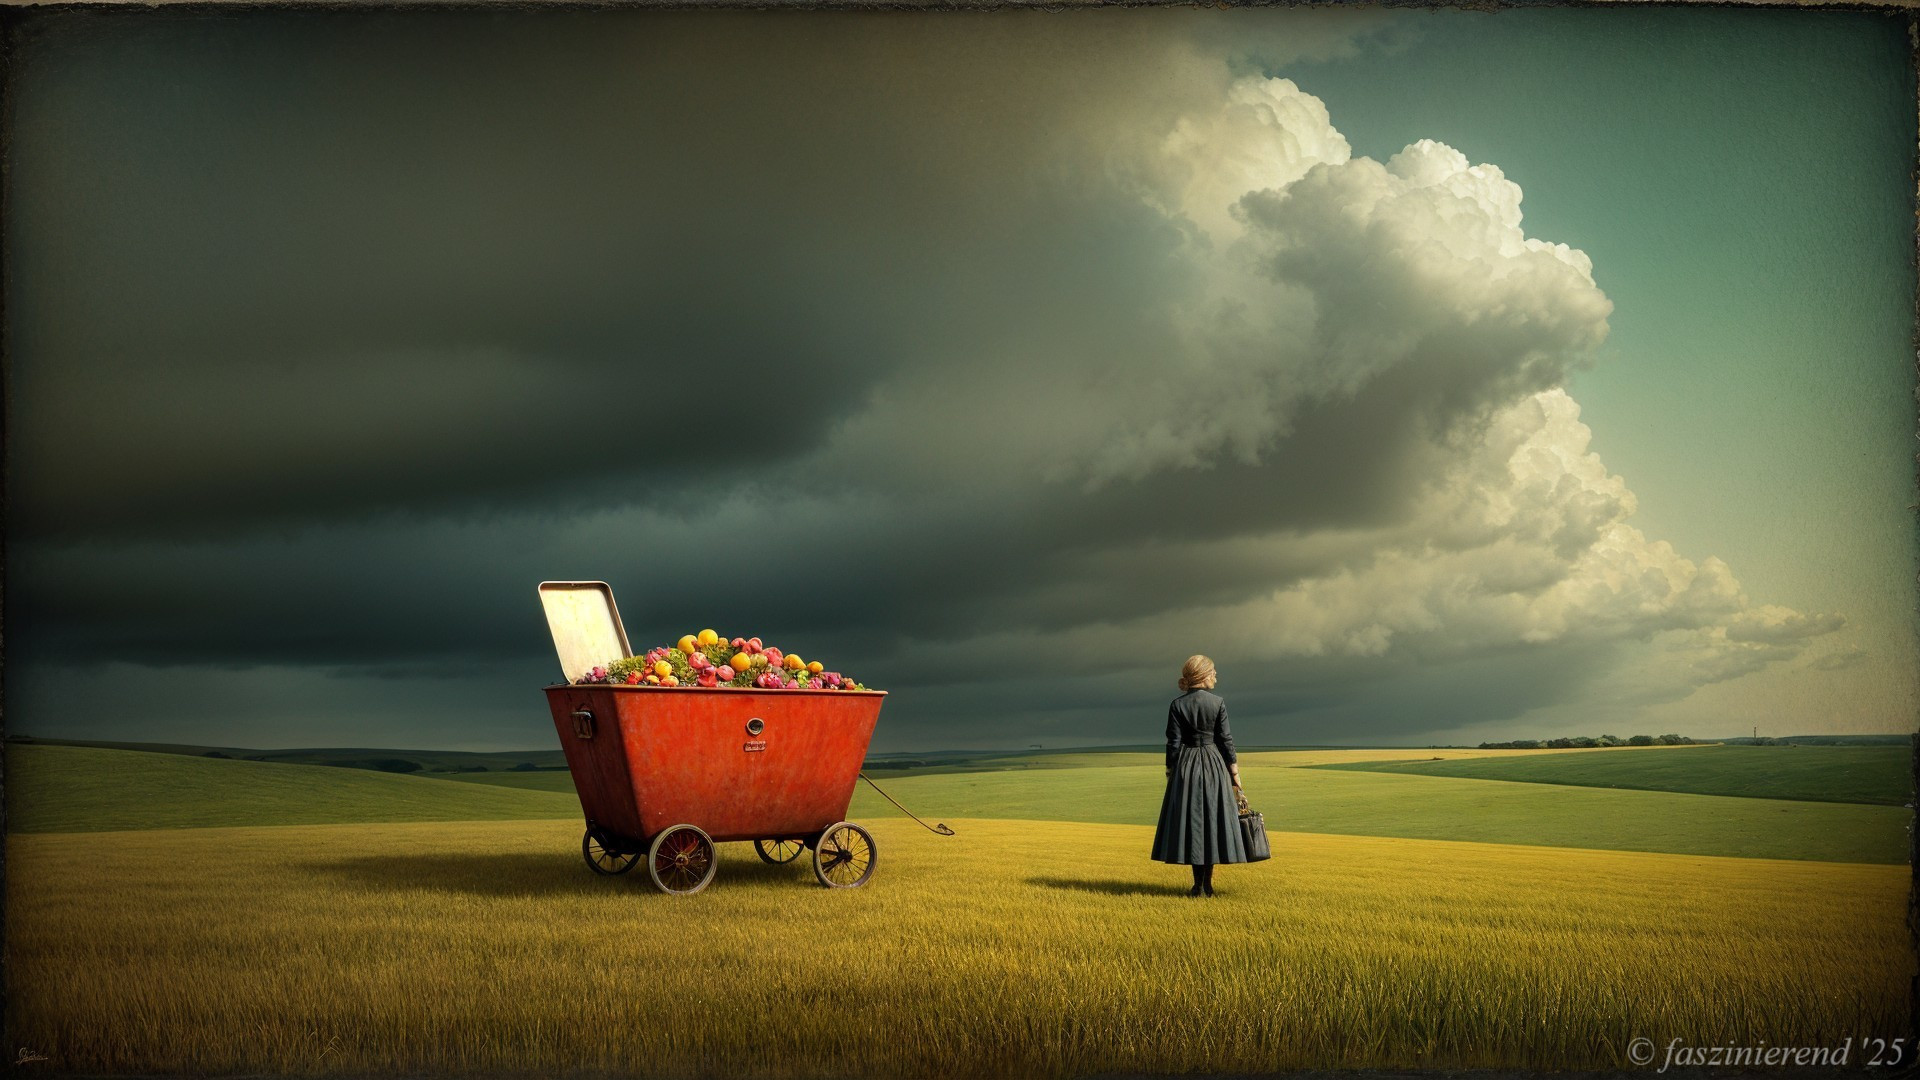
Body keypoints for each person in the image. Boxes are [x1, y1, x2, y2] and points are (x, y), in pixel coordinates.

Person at [1150, 654, 1246, 896]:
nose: (1216, 676)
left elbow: (1173, 742)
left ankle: (1197, 886)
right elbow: (1225, 740)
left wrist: (1170, 769)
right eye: (1213, 672)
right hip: (1214, 764)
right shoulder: (1218, 702)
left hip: (1187, 766)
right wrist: (1234, 770)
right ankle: (1208, 885)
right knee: (1212, 822)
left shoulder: (1177, 705)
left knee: (1194, 825)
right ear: (1203, 675)